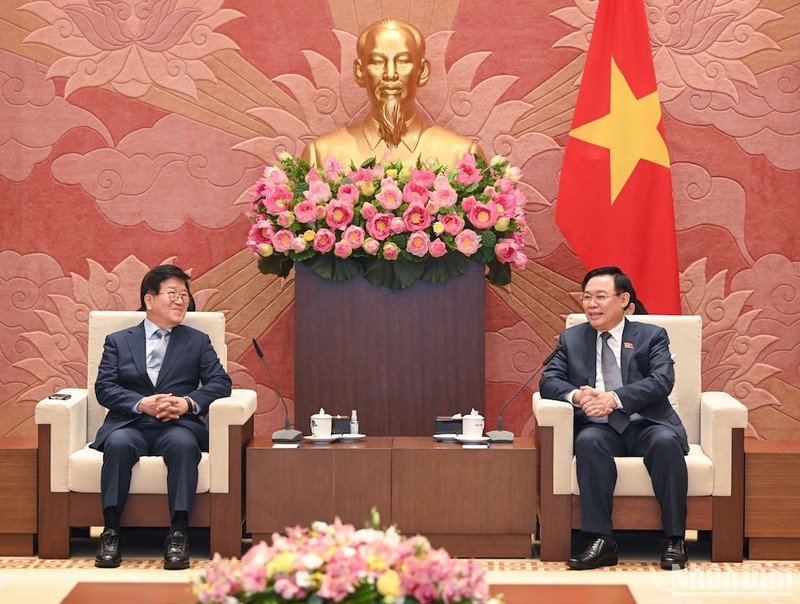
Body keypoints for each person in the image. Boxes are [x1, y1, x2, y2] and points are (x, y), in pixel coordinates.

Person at [539, 266, 689, 570]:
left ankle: (674, 538)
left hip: (645, 424)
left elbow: (662, 381)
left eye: (600, 297)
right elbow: (549, 381)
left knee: (665, 442)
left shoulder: (651, 336)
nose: (592, 304)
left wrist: (615, 399)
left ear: (625, 302)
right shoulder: (571, 339)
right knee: (589, 441)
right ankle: (600, 540)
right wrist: (580, 397)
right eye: (586, 297)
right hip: (600, 427)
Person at [91, 264, 232, 569]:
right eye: (173, 293)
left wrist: (188, 403)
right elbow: (104, 388)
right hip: (131, 423)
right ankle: (111, 532)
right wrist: (141, 403)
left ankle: (178, 533)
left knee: (183, 446)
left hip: (176, 425)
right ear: (149, 299)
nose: (181, 300)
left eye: (185, 295)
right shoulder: (118, 341)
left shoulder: (197, 340)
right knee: (117, 444)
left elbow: (221, 382)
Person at [301, 18, 483, 168]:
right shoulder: (320, 155)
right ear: (359, 72)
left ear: (422, 71)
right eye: (377, 62)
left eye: (403, 61)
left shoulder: (463, 155)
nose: (390, 74)